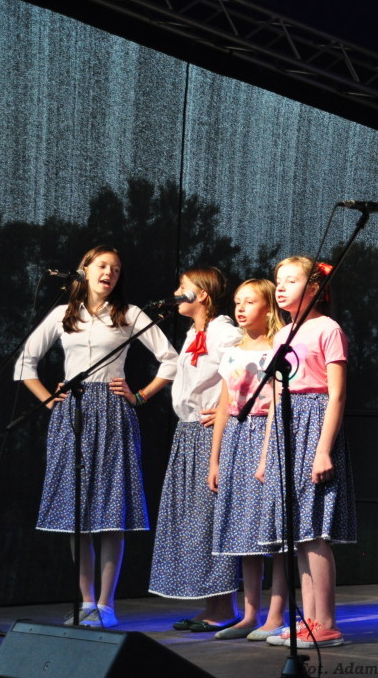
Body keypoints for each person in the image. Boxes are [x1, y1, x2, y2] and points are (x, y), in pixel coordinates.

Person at [15, 244, 178, 628]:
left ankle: (106, 605)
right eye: (102, 266)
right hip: (72, 412)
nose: (109, 273)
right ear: (85, 269)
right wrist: (49, 399)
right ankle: (86, 601)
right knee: (78, 515)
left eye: (116, 269)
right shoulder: (62, 314)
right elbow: (24, 362)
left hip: (113, 412)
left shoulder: (129, 314)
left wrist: (140, 395)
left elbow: (171, 360)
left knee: (111, 512)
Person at [260, 256, 356, 649]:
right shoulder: (282, 334)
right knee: (298, 535)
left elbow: (337, 394)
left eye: (291, 280)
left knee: (315, 531)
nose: (280, 287)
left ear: (314, 289)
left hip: (315, 426)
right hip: (287, 427)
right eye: (278, 281)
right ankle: (309, 620)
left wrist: (323, 450)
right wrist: (266, 454)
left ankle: (326, 622)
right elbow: (275, 396)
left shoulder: (328, 329)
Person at [149, 267, 242, 631]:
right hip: (187, 433)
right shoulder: (194, 333)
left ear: (202, 294)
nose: (176, 292)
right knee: (195, 520)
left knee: (211, 518)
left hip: (209, 434)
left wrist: (225, 409)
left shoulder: (225, 332)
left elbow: (242, 374)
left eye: (183, 287)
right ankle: (210, 605)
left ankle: (225, 608)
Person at [208, 279, 287, 641]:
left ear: (269, 308)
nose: (240, 308)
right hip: (237, 440)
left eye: (250, 302)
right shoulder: (232, 352)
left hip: (267, 435)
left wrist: (268, 454)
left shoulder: (278, 348)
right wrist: (215, 460)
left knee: (273, 533)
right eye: (238, 302)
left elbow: (279, 401)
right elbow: (224, 406)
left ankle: (276, 614)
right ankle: (250, 614)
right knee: (243, 532)